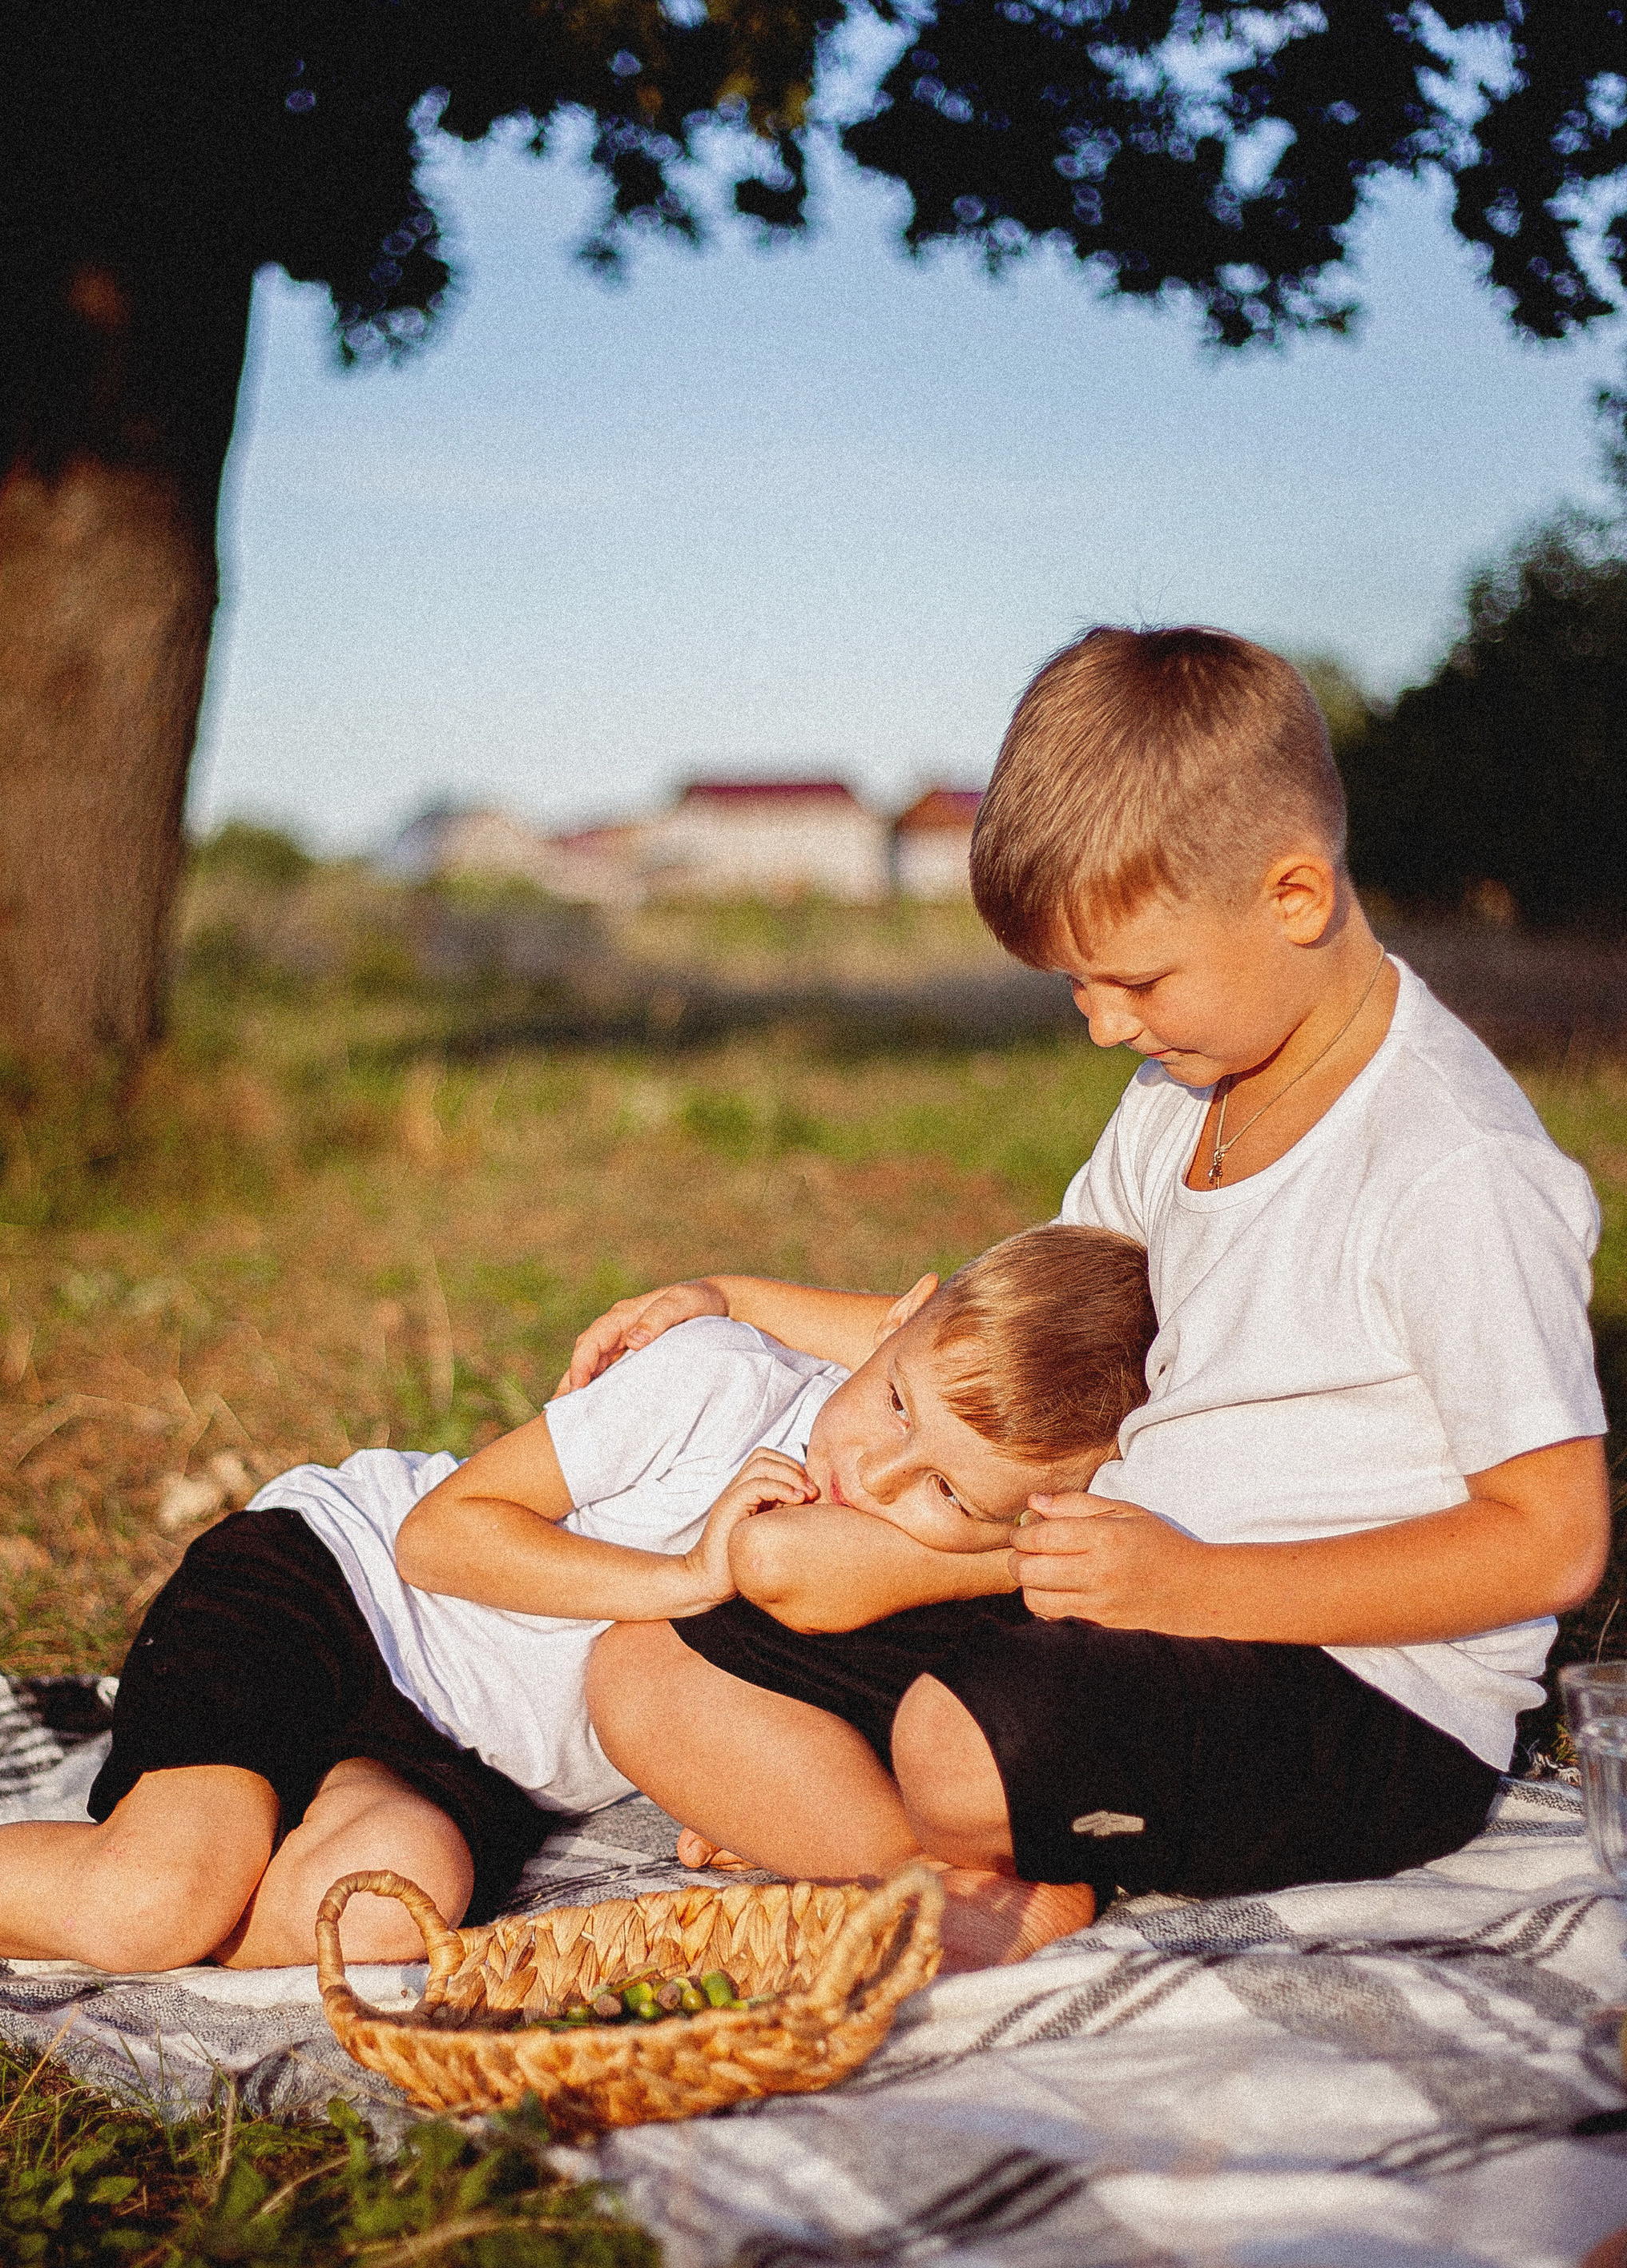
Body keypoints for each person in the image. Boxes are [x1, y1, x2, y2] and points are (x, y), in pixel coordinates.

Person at [574, 625, 1613, 1909]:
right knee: (646, 1669)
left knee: (959, 1743)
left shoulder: (1450, 1165)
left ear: (1293, 898)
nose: (1107, 1025)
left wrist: (1196, 1586)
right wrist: (734, 1301)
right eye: (1079, 986)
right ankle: (940, 1876)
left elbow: (1552, 1544)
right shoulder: (1180, 1101)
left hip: (1358, 1688)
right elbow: (999, 1343)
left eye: (1134, 980)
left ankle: (909, 1837)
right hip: (1124, 1617)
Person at [0, 1224, 1153, 1986]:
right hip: (328, 1592)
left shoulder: (875, 1564)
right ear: (883, 1326)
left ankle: (103, 1883)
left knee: (389, 1911)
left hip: (450, 1760)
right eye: (884, 1405)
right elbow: (452, 1540)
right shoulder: (711, 1383)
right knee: (153, 1901)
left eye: (947, 1496)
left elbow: (726, 1719)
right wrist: (682, 1574)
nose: (879, 1482)